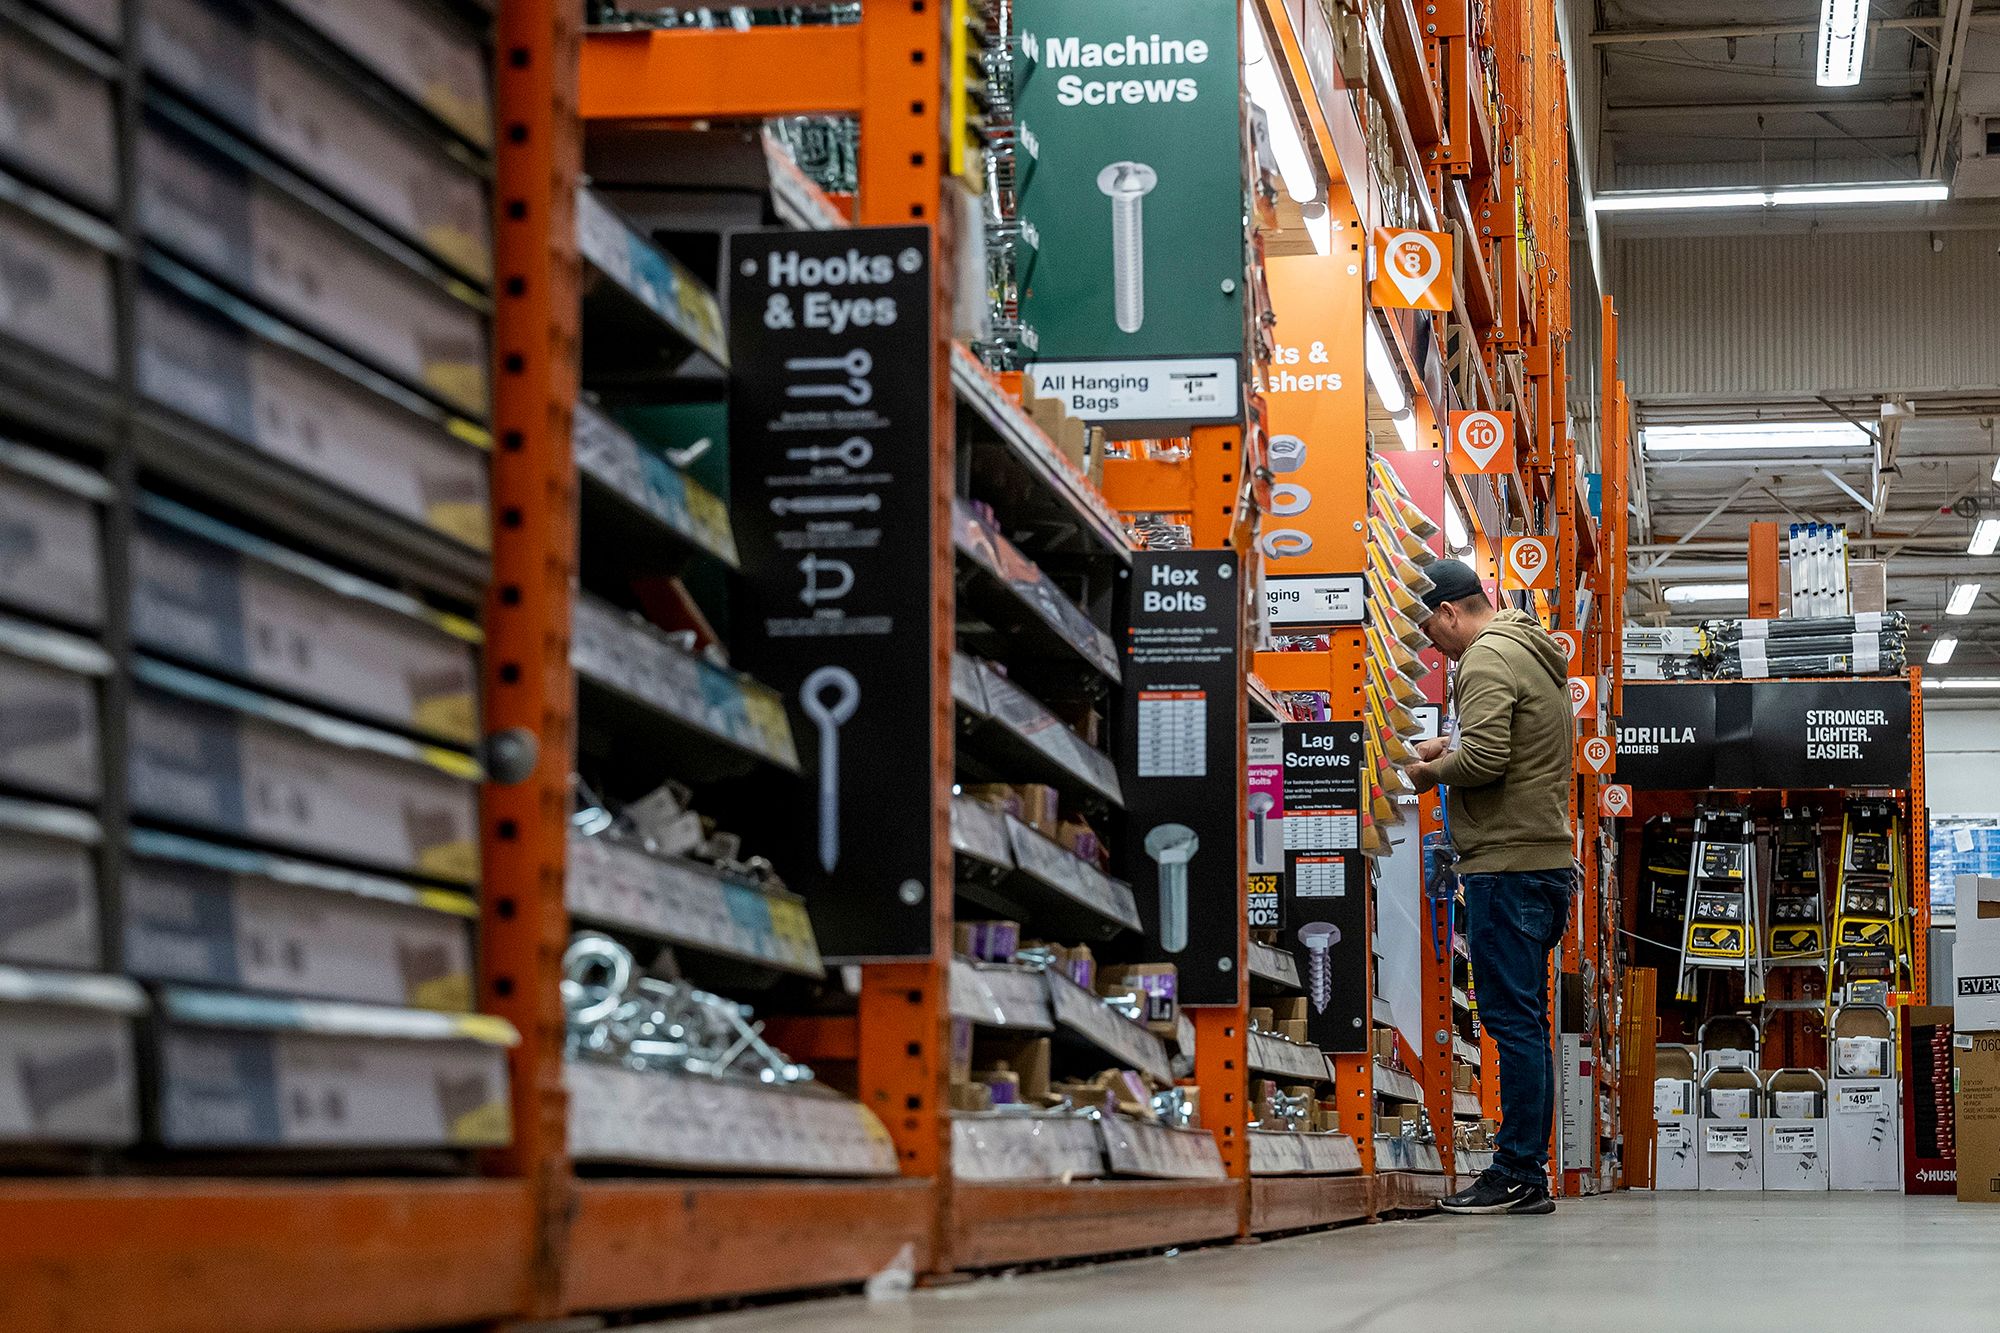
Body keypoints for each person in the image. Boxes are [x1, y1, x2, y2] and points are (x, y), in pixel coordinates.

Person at [1399, 559, 1575, 1216]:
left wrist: (1426, 773)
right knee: (1527, 1022)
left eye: (1430, 631)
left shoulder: (1484, 658)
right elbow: (1506, 743)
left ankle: (1518, 1171)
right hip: (1540, 863)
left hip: (1507, 864)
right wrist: (1443, 746)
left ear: (1449, 611)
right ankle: (1526, 1170)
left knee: (1511, 1024)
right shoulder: (1525, 649)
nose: (1433, 648)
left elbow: (1486, 759)